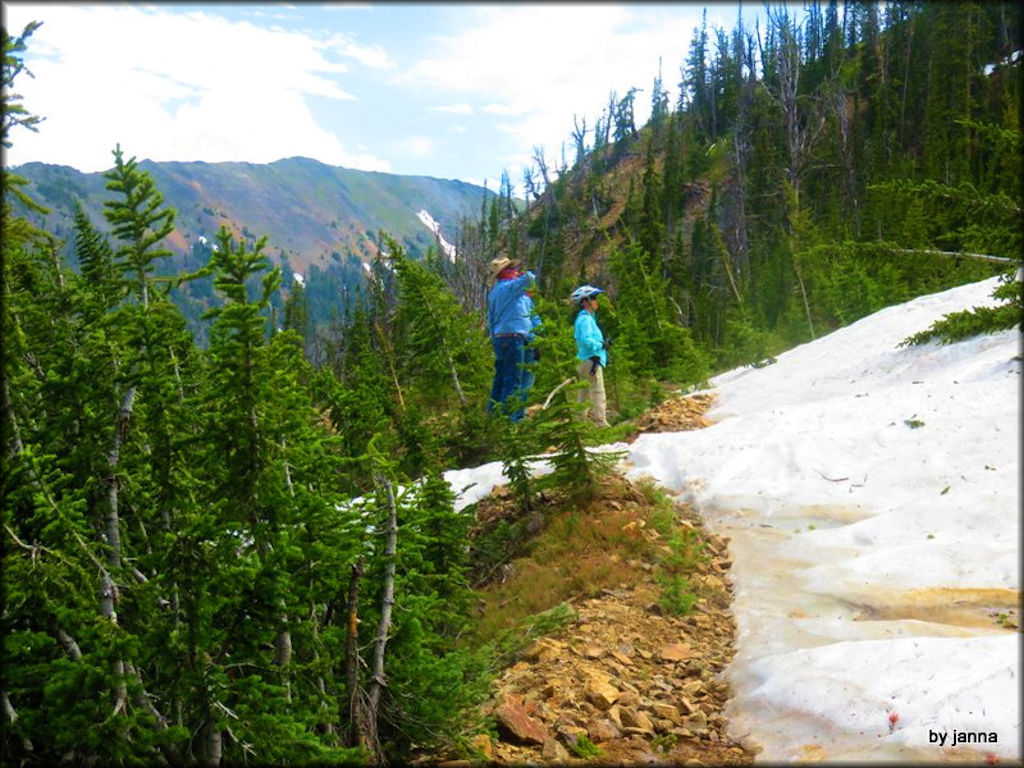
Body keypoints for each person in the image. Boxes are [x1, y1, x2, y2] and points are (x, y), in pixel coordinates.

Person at [487, 257, 537, 422]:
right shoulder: (510, 287)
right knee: (513, 381)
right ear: (506, 272)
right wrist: (523, 276)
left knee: (500, 379)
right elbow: (530, 278)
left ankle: (492, 416)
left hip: (499, 337)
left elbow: (491, 318)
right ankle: (508, 422)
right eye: (513, 268)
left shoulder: (495, 292)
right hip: (514, 338)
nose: (516, 270)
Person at [571, 284, 610, 428]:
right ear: (585, 301)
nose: (596, 301)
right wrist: (600, 345)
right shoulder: (585, 320)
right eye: (593, 298)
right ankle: (601, 423)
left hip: (585, 360)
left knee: (584, 392)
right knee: (598, 391)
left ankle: (580, 423)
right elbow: (585, 340)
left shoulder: (586, 318)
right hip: (591, 360)